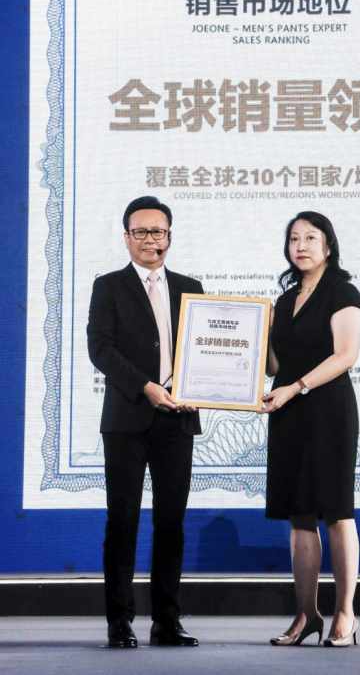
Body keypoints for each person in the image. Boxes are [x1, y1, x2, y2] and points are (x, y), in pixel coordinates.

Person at [87, 196, 203, 649]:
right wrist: (146, 386)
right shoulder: (108, 287)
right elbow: (101, 349)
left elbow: (204, 351)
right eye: (141, 231)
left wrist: (200, 389)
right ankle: (119, 620)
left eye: (158, 231)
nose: (150, 239)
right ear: (126, 237)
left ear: (169, 236)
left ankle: (166, 621)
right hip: (127, 419)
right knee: (123, 521)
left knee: (171, 522)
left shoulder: (191, 287)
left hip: (178, 420)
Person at [261, 211, 360, 648]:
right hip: (289, 413)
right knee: (300, 515)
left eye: (310, 237)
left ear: (328, 245)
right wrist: (262, 332)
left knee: (336, 512)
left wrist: (296, 387)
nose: (301, 246)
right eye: (293, 238)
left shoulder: (342, 291)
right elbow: (274, 367)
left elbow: (346, 355)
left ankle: (345, 614)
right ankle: (306, 614)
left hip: (328, 410)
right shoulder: (285, 299)